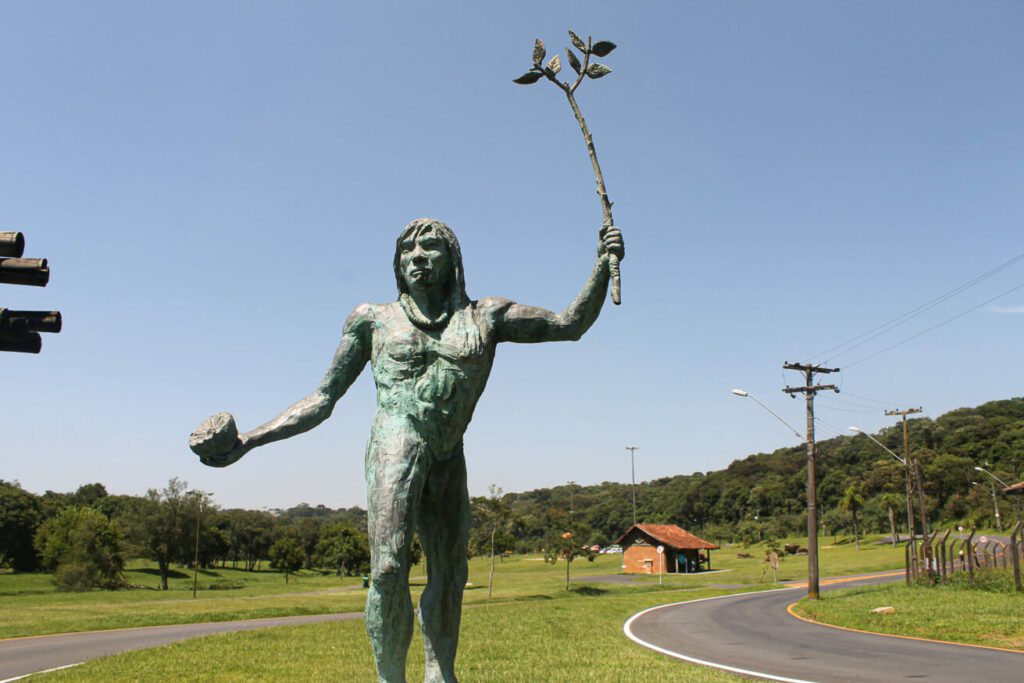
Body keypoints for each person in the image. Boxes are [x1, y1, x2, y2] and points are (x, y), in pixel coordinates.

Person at [193, 218, 624, 682]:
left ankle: (441, 675)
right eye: (407, 251)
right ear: (397, 264)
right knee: (389, 567)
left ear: (453, 259)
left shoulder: (487, 316)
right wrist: (250, 440)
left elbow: (569, 324)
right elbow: (323, 398)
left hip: (447, 453)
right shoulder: (373, 320)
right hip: (396, 440)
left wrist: (602, 265)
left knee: (450, 575)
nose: (417, 256)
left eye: (431, 247)